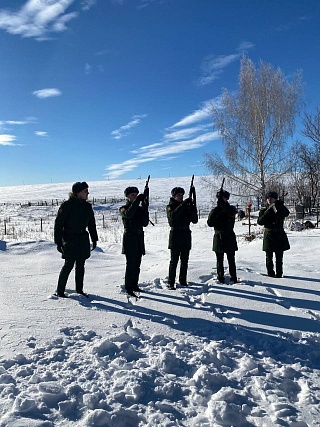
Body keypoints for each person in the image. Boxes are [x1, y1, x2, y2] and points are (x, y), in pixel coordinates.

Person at [54, 182, 98, 298]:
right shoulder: (66, 206)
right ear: (78, 193)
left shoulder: (87, 206)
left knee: (81, 265)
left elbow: (91, 224)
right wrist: (58, 242)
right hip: (70, 240)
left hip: (83, 239)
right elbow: (58, 225)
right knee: (68, 265)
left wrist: (94, 239)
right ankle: (60, 291)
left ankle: (79, 290)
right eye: (85, 191)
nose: (87, 193)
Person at [120, 186, 149, 297]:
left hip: (138, 238)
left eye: (136, 194)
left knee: (137, 264)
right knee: (130, 264)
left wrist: (145, 207)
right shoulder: (123, 208)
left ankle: (135, 284)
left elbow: (145, 223)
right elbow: (128, 214)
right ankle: (128, 287)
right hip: (129, 239)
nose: (135, 196)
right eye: (133, 195)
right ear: (127, 197)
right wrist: (137, 202)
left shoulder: (139, 208)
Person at [166, 187, 198, 289]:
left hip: (185, 235)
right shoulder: (170, 207)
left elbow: (194, 220)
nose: (180, 197)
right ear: (174, 196)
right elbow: (172, 218)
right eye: (178, 195)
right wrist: (183, 205)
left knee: (185, 260)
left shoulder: (186, 206)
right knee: (174, 261)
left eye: (182, 195)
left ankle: (183, 280)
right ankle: (171, 282)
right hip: (175, 235)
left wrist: (193, 208)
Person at [207, 189, 238, 284]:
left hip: (229, 236)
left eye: (224, 198)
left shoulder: (231, 208)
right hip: (218, 237)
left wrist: (224, 206)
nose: (222, 200)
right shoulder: (215, 210)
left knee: (231, 259)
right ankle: (220, 277)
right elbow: (210, 223)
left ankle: (234, 277)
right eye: (221, 198)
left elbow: (231, 213)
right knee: (219, 260)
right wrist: (216, 212)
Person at [257, 191, 290, 278]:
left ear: (275, 199)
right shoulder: (264, 210)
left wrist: (279, 205)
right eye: (268, 198)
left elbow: (287, 213)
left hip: (279, 234)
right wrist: (268, 211)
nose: (269, 199)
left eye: (271, 198)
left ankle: (279, 274)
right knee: (269, 256)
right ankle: (270, 273)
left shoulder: (279, 208)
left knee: (279, 257)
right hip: (269, 234)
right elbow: (260, 222)